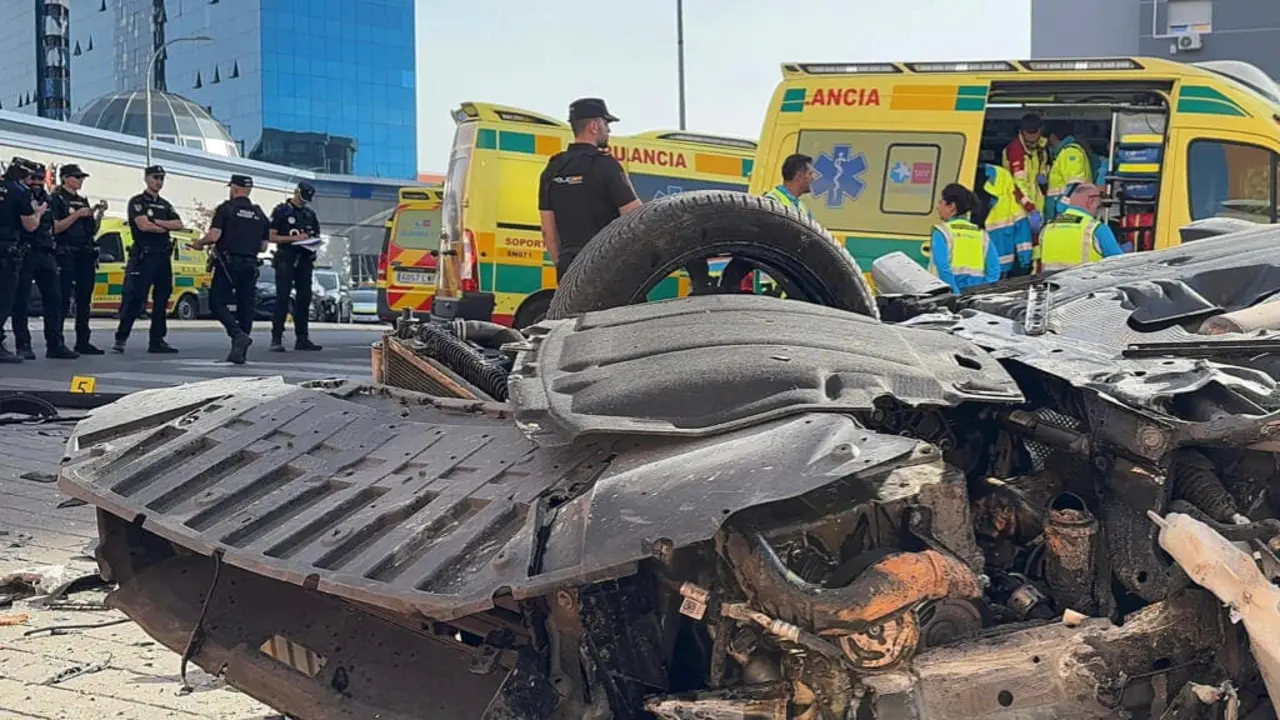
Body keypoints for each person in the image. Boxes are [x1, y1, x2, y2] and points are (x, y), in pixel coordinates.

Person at [538, 97, 640, 280]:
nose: (608, 129)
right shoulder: (606, 166)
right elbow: (635, 216)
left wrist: (563, 267)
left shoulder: (552, 168)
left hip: (569, 267)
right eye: (606, 123)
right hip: (606, 264)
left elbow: (548, 231)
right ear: (594, 126)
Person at [191, 174, 269, 365]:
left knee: (216, 302)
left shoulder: (226, 209)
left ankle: (237, 335)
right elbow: (263, 247)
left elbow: (215, 235)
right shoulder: (260, 214)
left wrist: (199, 243)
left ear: (234, 189)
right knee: (246, 308)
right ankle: (239, 351)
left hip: (228, 264)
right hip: (251, 264)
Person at [114, 165, 183, 354]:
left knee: (162, 298)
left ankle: (157, 340)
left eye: (161, 178)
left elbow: (178, 224)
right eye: (155, 178)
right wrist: (162, 227)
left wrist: (159, 223)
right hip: (144, 255)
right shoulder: (137, 202)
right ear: (146, 179)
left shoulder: (165, 204)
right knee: (136, 298)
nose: (158, 182)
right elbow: (143, 226)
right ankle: (121, 338)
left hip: (162, 256)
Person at [11, 163, 76, 360]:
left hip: (47, 253)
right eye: (33, 179)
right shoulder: (20, 197)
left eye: (40, 179)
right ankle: (23, 345)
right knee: (21, 302)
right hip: (26, 253)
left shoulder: (47, 199)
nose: (37, 183)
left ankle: (55, 344)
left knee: (54, 300)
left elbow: (53, 227)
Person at [51, 163, 106, 355]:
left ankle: (83, 340)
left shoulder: (83, 201)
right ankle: (57, 342)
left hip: (85, 252)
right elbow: (56, 227)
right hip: (66, 252)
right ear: (65, 178)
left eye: (82, 178)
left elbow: (92, 230)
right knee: (63, 299)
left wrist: (98, 214)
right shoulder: (56, 199)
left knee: (85, 299)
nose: (80, 181)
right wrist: (77, 216)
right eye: (77, 177)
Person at [268, 181, 322, 352]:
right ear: (296, 192)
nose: (304, 201)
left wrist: (312, 244)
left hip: (305, 259)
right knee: (283, 298)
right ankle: (276, 337)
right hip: (286, 258)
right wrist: (294, 239)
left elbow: (316, 234)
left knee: (304, 298)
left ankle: (302, 337)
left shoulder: (309, 214)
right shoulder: (281, 211)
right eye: (302, 197)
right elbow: (271, 236)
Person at [0, 159, 43, 364]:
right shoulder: (19, 192)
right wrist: (39, 213)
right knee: (4, 300)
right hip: (6, 252)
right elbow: (30, 226)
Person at [928, 182, 1001, 294]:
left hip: (946, 295)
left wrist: (954, 292)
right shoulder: (981, 234)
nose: (938, 207)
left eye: (940, 203)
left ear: (952, 206)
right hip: (974, 295)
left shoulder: (942, 231)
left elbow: (942, 266)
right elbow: (994, 270)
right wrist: (982, 290)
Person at [1036, 183, 1126, 273]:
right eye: (1098, 205)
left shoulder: (1047, 229)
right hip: (1087, 285)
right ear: (1090, 202)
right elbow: (1120, 265)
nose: (1097, 210)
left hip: (1053, 285)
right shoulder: (1096, 229)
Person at [975, 163, 1034, 277]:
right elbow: (1023, 232)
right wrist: (1025, 261)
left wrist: (1025, 261)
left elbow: (1023, 231)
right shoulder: (1010, 202)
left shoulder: (1009, 199)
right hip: (987, 266)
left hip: (998, 267)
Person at [1002, 113, 1048, 233]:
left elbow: (1043, 166)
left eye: (1035, 138)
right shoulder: (1015, 151)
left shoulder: (1041, 149)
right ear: (1022, 132)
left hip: (1036, 207)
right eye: (1029, 139)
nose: (1032, 142)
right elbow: (1018, 184)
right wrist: (1030, 208)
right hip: (1020, 208)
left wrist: (1044, 177)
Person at [1044, 122, 1095, 223]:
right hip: (1064, 212)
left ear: (1053, 137)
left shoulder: (1070, 152)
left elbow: (1075, 182)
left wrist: (1062, 207)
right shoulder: (1065, 153)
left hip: (1066, 213)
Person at [763, 154, 816, 219]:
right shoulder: (772, 201)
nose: (813, 178)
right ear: (799, 176)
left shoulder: (802, 207)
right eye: (810, 174)